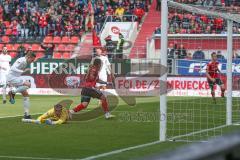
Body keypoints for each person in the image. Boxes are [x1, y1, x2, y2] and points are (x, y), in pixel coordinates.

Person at [7, 52, 36, 119]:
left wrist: (21, 72)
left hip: (16, 77)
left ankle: (26, 114)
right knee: (28, 84)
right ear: (29, 57)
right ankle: (13, 92)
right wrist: (23, 71)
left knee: (25, 94)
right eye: (32, 60)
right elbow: (12, 68)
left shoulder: (25, 61)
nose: (32, 62)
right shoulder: (21, 60)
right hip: (12, 78)